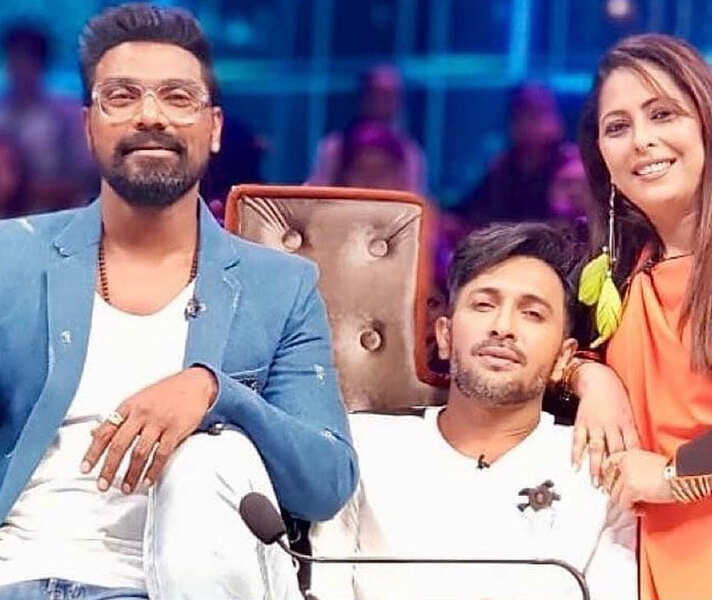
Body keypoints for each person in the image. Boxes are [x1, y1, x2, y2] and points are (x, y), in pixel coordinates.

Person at [0, 4, 356, 600]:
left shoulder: (280, 286)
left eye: (177, 97)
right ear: (88, 126)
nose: (150, 115)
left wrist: (216, 393)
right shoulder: (11, 257)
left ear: (213, 128)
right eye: (122, 96)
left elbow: (325, 483)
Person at [567, 33, 712, 600]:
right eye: (617, 127)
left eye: (662, 114)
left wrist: (678, 473)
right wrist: (587, 375)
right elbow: (523, 349)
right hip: (640, 553)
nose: (642, 141)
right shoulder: (617, 264)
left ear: (710, 123)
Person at [309, 223, 636, 600]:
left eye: (532, 313)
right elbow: (325, 584)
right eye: (484, 305)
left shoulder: (599, 469)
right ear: (445, 336)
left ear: (564, 357)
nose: (503, 327)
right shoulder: (361, 446)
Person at [0, 24, 97, 214]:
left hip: (53, 214)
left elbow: (85, 176)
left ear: (41, 65)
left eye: (27, 61)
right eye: (15, 60)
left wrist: (27, 190)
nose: (21, 70)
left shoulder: (67, 115)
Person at [454, 84, 566, 227]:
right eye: (521, 114)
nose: (528, 122)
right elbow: (469, 213)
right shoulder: (502, 167)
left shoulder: (571, 168)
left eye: (537, 113)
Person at [308, 65, 426, 195]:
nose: (383, 102)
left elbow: (415, 199)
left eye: (390, 95)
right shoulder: (334, 147)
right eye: (377, 93)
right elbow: (317, 195)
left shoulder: (410, 152)